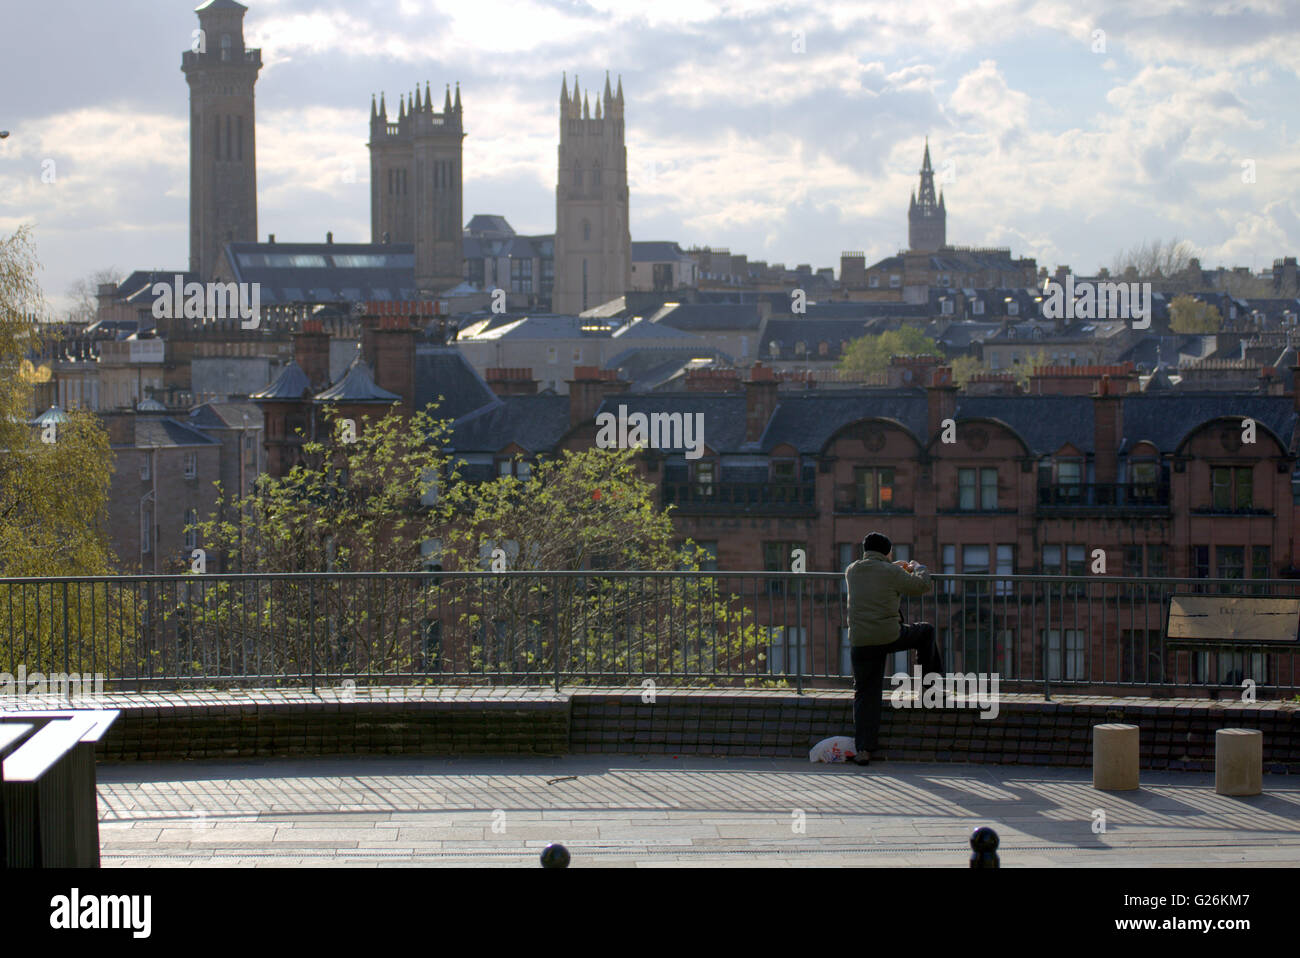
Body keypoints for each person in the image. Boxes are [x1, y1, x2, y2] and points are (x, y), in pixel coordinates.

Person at [844, 532, 943, 766]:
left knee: (865, 693)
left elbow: (877, 576)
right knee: (926, 631)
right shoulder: (891, 572)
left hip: (860, 641)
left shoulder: (852, 570)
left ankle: (864, 749)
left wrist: (895, 568)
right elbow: (921, 586)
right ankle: (929, 691)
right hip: (888, 636)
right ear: (888, 552)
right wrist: (919, 567)